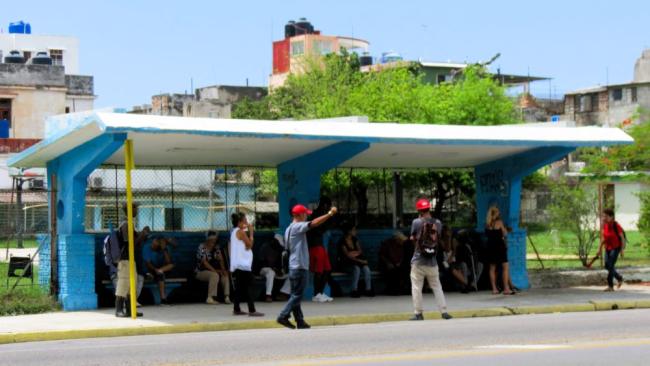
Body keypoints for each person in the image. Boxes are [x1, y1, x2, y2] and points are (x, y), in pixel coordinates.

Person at [277, 204, 338, 330]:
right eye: (305, 214)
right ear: (298, 215)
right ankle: (283, 315)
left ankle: (300, 321)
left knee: (295, 294)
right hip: (299, 266)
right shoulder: (297, 226)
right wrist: (330, 214)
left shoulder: (289, 228)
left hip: (293, 265)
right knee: (297, 295)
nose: (307, 215)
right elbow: (314, 223)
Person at [409, 198, 451, 321]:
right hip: (432, 261)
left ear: (419, 210)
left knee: (417, 287)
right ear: (429, 209)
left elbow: (412, 238)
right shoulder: (437, 222)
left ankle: (418, 313)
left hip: (418, 261)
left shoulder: (416, 222)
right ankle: (444, 312)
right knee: (437, 286)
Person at [115, 204, 149, 318]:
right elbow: (130, 243)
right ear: (129, 210)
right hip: (125, 259)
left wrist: (142, 235)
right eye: (135, 208)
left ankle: (130, 309)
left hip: (131, 259)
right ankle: (118, 310)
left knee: (131, 285)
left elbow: (135, 241)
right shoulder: (125, 225)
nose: (137, 210)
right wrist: (142, 235)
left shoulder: (130, 224)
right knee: (123, 284)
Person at [229, 212, 264, 317]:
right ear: (239, 222)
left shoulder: (234, 231)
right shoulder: (241, 232)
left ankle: (236, 308)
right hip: (243, 265)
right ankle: (252, 310)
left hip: (238, 264)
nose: (246, 222)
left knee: (239, 287)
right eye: (245, 220)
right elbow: (249, 245)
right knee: (250, 286)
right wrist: (252, 233)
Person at [306, 197, 340, 302]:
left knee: (327, 270)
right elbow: (328, 224)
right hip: (315, 246)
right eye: (329, 205)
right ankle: (316, 294)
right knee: (319, 271)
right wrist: (331, 213)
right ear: (326, 205)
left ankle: (320, 293)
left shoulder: (319, 214)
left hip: (319, 245)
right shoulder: (319, 214)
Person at [195, 231, 231, 305]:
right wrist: (216, 271)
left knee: (225, 274)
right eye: (211, 240)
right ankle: (210, 298)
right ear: (207, 240)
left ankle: (226, 297)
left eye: (214, 240)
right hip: (201, 271)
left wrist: (223, 270)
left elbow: (220, 260)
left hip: (214, 270)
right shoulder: (202, 247)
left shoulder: (216, 248)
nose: (213, 242)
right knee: (214, 275)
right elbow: (204, 263)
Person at [338, 223, 373, 298]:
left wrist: (353, 253)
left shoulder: (355, 239)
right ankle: (354, 290)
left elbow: (360, 251)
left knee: (366, 269)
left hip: (357, 261)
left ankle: (368, 289)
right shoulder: (342, 241)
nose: (355, 231)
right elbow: (347, 255)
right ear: (349, 231)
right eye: (354, 230)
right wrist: (358, 259)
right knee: (356, 269)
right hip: (346, 263)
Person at [485, 205, 514, 295]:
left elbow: (488, 235)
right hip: (500, 247)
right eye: (498, 212)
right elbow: (504, 234)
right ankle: (506, 288)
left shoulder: (487, 224)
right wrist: (506, 229)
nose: (499, 213)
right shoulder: (500, 222)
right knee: (505, 267)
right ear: (495, 213)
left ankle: (494, 289)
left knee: (492, 268)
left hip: (490, 247)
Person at [256, 234, 291, 302]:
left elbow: (281, 264)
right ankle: (268, 295)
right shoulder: (265, 247)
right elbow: (261, 262)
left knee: (292, 275)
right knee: (270, 272)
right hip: (264, 269)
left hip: (276, 271)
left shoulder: (280, 249)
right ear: (273, 241)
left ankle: (283, 293)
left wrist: (279, 270)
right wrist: (273, 268)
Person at [598, 208, 626, 291]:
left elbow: (622, 239)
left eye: (606, 216)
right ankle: (619, 278)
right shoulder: (605, 226)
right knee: (607, 266)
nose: (604, 218)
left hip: (615, 248)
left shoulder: (616, 226)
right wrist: (599, 249)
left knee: (610, 266)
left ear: (611, 217)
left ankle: (610, 286)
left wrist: (622, 250)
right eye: (603, 216)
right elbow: (604, 238)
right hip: (607, 248)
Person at [143, 236, 176, 305]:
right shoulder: (147, 247)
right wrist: (155, 270)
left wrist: (164, 250)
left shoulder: (164, 249)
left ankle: (163, 300)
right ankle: (163, 299)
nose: (154, 246)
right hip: (150, 270)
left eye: (157, 245)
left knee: (170, 266)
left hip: (161, 270)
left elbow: (169, 262)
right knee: (159, 275)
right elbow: (148, 263)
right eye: (154, 244)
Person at [439, 226, 472, 293]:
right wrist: (448, 238)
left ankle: (464, 285)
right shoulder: (441, 240)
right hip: (444, 262)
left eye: (450, 231)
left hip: (453, 260)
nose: (449, 232)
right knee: (453, 268)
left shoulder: (454, 240)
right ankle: (467, 284)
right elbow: (447, 250)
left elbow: (454, 251)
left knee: (460, 267)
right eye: (447, 231)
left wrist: (451, 238)